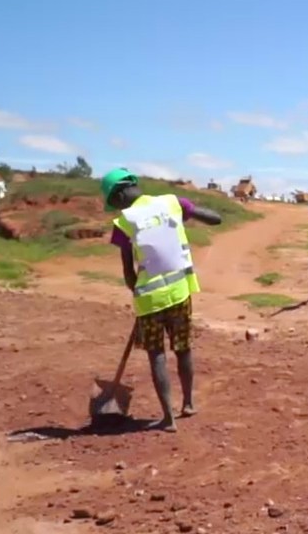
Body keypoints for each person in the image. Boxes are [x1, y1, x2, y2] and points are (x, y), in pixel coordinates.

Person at [102, 168, 223, 432]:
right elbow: (215, 218)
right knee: (183, 348)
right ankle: (188, 403)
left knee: (156, 355)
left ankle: (168, 418)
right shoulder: (171, 202)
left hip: (149, 299)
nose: (115, 207)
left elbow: (128, 270)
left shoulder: (124, 222)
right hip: (180, 291)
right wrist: (192, 211)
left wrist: (138, 296)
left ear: (119, 194)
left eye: (113, 202)